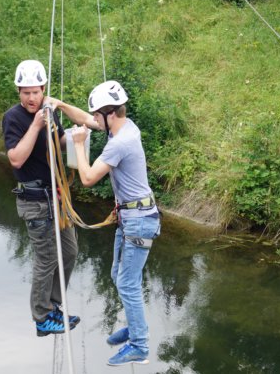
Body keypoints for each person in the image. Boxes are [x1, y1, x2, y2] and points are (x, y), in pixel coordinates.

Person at [2, 59, 97, 337]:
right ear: (19, 92)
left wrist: (76, 138)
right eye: (26, 93)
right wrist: (35, 126)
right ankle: (42, 317)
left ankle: (53, 304)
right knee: (46, 258)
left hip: (56, 196)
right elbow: (16, 159)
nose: (31, 98)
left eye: (36, 92)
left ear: (43, 89)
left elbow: (57, 141)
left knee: (69, 252)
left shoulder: (48, 111)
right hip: (35, 200)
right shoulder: (14, 118)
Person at [70, 80, 160, 366]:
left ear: (110, 114)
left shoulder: (120, 143)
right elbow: (87, 120)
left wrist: (79, 145)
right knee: (117, 276)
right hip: (131, 217)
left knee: (128, 284)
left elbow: (87, 178)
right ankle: (136, 327)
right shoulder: (126, 126)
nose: (94, 120)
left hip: (138, 222)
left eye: (97, 115)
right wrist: (58, 105)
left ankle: (139, 345)